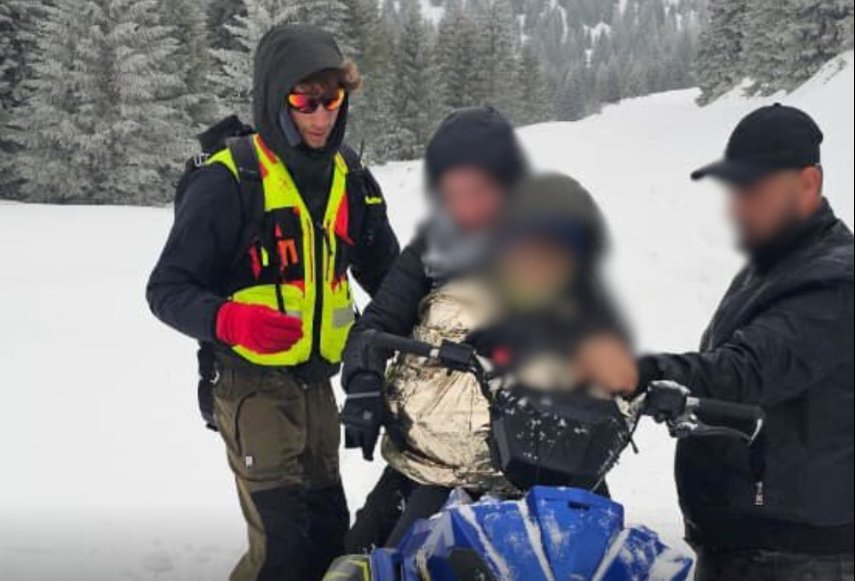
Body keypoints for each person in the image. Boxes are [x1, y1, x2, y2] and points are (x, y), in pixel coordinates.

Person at [146, 24, 399, 581]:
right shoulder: (229, 179)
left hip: (318, 386)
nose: (321, 117)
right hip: (248, 384)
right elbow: (166, 289)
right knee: (282, 548)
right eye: (305, 102)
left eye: (333, 100)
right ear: (275, 99)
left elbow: (389, 278)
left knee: (328, 537)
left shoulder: (352, 178)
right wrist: (230, 320)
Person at [341, 107, 636, 551]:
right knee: (361, 557)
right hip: (426, 465)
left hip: (528, 476)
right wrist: (363, 382)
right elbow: (377, 324)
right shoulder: (431, 249)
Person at [634, 104, 854, 581]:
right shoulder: (775, 266)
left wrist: (643, 372)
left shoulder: (835, 281)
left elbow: (746, 371)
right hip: (748, 545)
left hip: (797, 556)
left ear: (808, 183)